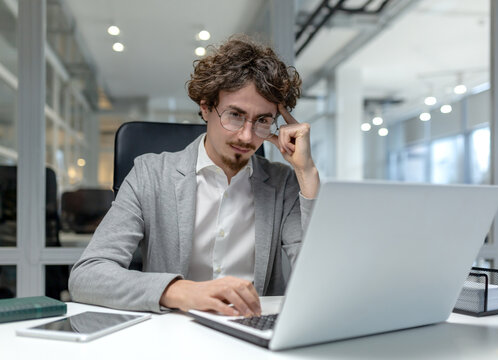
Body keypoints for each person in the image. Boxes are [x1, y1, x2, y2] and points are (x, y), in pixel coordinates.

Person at [68, 35, 320, 317]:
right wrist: (181, 291)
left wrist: (306, 172)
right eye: (234, 115)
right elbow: (87, 276)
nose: (247, 136)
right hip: (174, 335)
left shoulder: (282, 182)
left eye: (262, 120)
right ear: (205, 106)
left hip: (253, 336)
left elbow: (321, 281)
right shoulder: (151, 174)